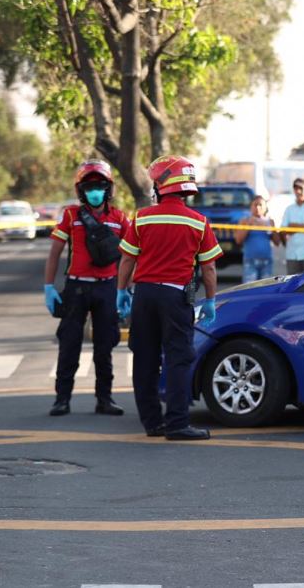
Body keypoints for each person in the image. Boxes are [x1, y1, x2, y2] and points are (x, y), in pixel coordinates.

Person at [117, 155, 223, 440]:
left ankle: (152, 423)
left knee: (145, 358)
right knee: (178, 358)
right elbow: (209, 267)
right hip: (176, 297)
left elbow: (127, 260)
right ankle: (176, 424)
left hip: (145, 295)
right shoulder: (199, 222)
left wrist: (121, 291)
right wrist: (210, 300)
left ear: (160, 186)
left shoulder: (141, 217)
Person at [44, 159, 129, 417]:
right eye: (89, 186)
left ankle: (105, 399)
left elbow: (131, 255)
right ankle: (62, 399)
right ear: (81, 190)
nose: (95, 191)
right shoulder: (70, 215)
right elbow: (55, 252)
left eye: (100, 185)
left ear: (108, 188)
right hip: (77, 288)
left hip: (107, 289)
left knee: (105, 346)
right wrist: (49, 285)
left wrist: (128, 289)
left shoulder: (119, 218)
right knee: (69, 344)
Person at [234, 195, 280, 283]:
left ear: (265, 207)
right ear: (251, 207)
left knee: (266, 290)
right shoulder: (244, 221)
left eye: (260, 205)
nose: (258, 207)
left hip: (266, 261)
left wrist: (271, 228)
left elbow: (277, 242)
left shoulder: (270, 222)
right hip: (250, 261)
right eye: (255, 205)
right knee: (249, 290)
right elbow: (238, 240)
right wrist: (249, 225)